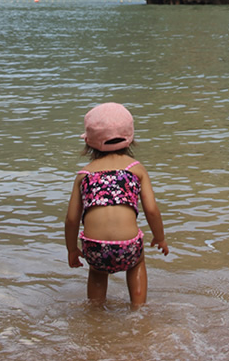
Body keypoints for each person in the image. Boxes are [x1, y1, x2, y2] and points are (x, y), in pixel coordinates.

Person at [65, 102, 169, 306]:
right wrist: (160, 237)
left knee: (97, 273)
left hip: (94, 247)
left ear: (88, 143)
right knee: (137, 263)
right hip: (128, 246)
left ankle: (96, 313)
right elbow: (151, 210)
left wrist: (71, 249)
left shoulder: (84, 174)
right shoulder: (136, 169)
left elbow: (71, 219)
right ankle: (138, 310)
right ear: (130, 139)